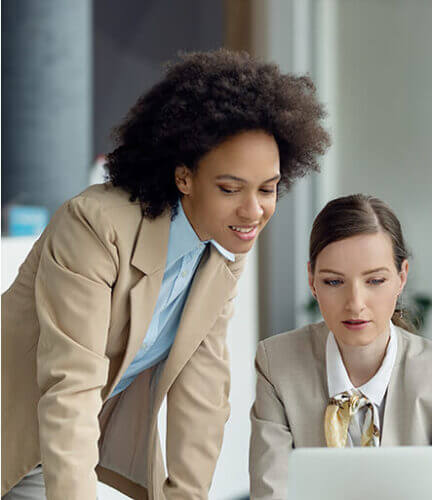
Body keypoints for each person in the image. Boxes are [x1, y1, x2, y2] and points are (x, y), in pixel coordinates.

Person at [2, 49, 330, 500]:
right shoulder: (94, 227)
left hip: (49, 451)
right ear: (184, 178)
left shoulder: (223, 247)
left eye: (268, 189)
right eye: (230, 188)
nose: (253, 210)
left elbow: (203, 394)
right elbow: (71, 386)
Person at [249, 194, 432, 500]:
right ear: (312, 280)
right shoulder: (277, 364)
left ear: (402, 277)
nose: (355, 304)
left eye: (375, 281)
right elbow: (271, 492)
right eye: (334, 282)